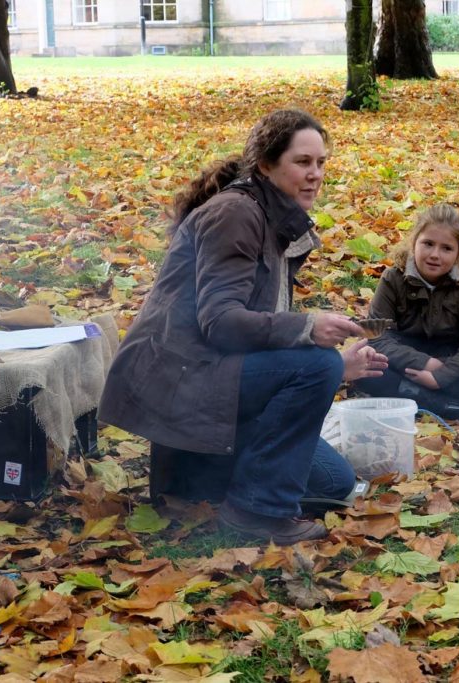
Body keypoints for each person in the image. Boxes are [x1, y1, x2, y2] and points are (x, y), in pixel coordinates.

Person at [98, 109, 387, 546]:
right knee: (318, 366)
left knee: (334, 481)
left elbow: (258, 331)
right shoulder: (236, 213)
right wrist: (308, 330)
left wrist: (334, 364)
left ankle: (198, 477)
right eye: (302, 162)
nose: (315, 175)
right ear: (266, 165)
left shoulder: (272, 217)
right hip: (181, 382)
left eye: (321, 163)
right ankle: (256, 510)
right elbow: (221, 323)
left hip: (213, 376)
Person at [355, 203, 459, 422]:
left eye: (446, 248)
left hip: (450, 359)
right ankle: (446, 406)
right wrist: (425, 363)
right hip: (404, 358)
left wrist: (441, 376)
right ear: (414, 242)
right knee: (368, 371)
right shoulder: (393, 278)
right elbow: (378, 336)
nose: (435, 255)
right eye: (428, 244)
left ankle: (422, 398)